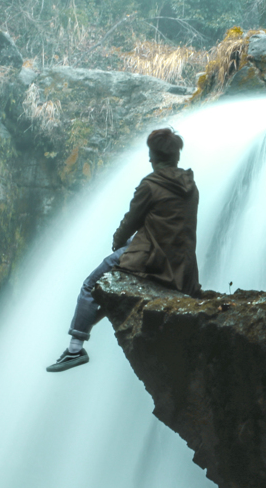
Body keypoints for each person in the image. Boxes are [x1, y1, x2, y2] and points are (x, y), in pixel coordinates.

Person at [46, 127, 200, 372]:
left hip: (152, 258)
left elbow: (131, 221)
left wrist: (117, 242)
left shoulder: (151, 185)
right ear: (176, 157)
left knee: (90, 285)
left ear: (155, 157)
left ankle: (74, 350)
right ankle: (81, 336)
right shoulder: (191, 187)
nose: (149, 159)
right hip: (184, 266)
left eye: (150, 154)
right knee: (109, 286)